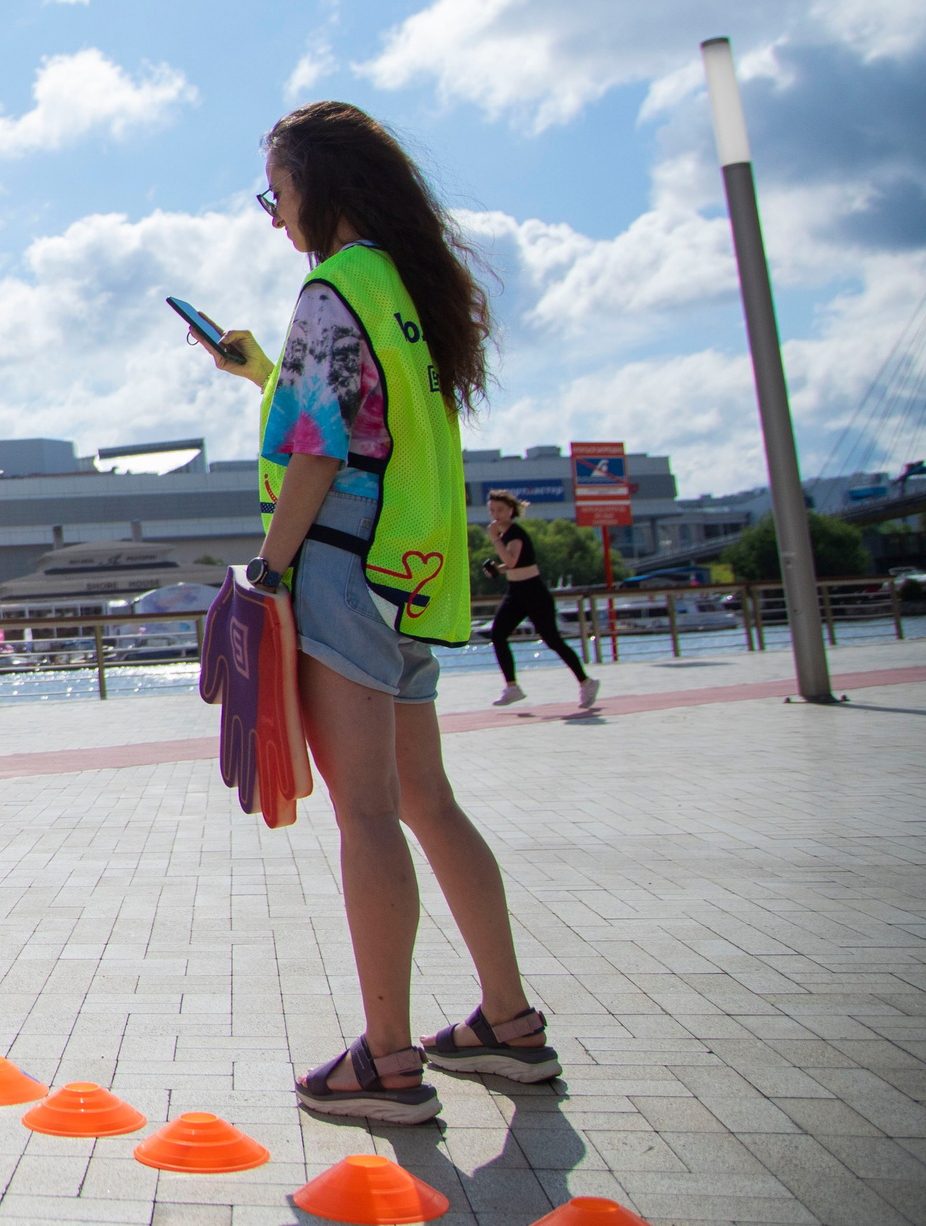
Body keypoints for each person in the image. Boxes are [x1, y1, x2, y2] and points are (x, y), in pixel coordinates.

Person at [190, 100, 560, 1124]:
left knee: (364, 812)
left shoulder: (330, 287)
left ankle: (388, 1063)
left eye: (278, 192)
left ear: (322, 186)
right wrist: (263, 372)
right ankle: (508, 1027)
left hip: (342, 580)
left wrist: (264, 575)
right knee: (426, 803)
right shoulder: (405, 291)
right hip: (412, 579)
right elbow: (364, 428)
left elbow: (316, 450)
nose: (273, 215)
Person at [481, 491, 599, 709]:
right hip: (516, 591)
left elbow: (513, 560)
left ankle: (587, 682)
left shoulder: (514, 533)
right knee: (498, 634)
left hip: (534, 592)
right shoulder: (506, 534)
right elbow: (512, 564)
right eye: (492, 510)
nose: (495, 514)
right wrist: (498, 570)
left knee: (553, 639)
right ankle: (512, 687)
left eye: (499, 510)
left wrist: (495, 538)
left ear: (510, 511)